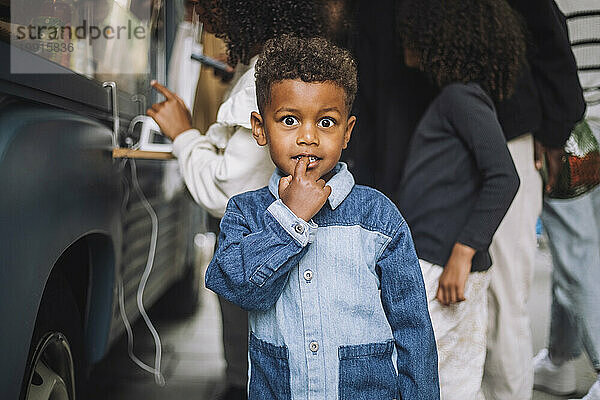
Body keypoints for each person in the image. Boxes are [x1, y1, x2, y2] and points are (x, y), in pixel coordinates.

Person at [343, 1, 585, 398]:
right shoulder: (444, 90)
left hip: (500, 126)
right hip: (413, 137)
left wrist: (556, 127)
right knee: (443, 335)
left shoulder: (466, 94)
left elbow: (543, 24)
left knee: (502, 308)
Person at [205, 35, 440, 400]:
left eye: (326, 123)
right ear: (260, 128)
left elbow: (413, 330)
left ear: (346, 132)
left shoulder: (378, 218)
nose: (309, 137)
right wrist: (290, 218)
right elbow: (237, 287)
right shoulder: (244, 213)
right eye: (289, 120)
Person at [146, 2, 326, 399]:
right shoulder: (278, 65)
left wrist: (182, 134)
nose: (198, 14)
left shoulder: (264, 76)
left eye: (206, 4)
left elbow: (228, 193)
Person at [395, 0, 522, 398]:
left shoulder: (461, 98)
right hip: (443, 263)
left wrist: (462, 253)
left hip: (443, 267)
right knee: (451, 380)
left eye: (412, 30)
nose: (403, 41)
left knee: (427, 375)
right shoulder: (460, 99)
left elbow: (505, 177)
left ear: (440, 36)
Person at [532, 1, 600, 399]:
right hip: (581, 123)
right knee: (577, 253)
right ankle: (560, 357)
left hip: (574, 130)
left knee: (579, 254)